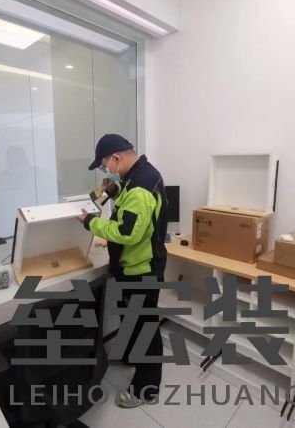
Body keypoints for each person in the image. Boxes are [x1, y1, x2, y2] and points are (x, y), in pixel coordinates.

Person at [76, 134, 168, 409]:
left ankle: (146, 389)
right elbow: (133, 210)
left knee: (144, 328)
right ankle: (133, 357)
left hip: (142, 270)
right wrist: (115, 191)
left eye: (105, 165)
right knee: (135, 320)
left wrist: (91, 222)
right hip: (138, 266)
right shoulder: (141, 175)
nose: (106, 170)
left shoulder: (140, 187)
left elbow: (127, 232)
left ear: (117, 157)